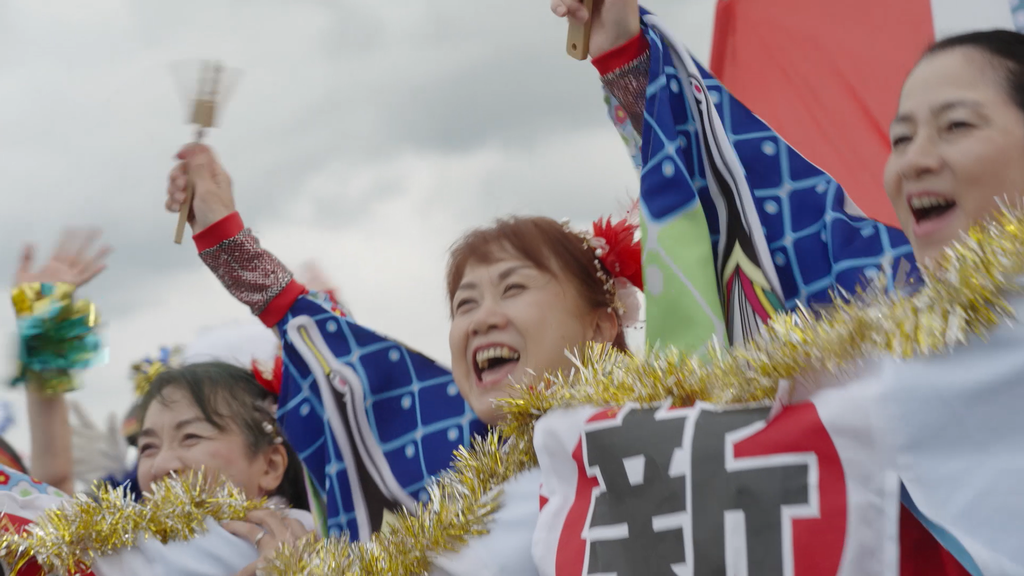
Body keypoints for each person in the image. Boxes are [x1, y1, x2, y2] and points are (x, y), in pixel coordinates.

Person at [545, 1, 1024, 573]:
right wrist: (627, 56)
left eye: (956, 126)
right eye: (900, 139)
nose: (916, 160)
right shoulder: (889, 304)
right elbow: (750, 199)